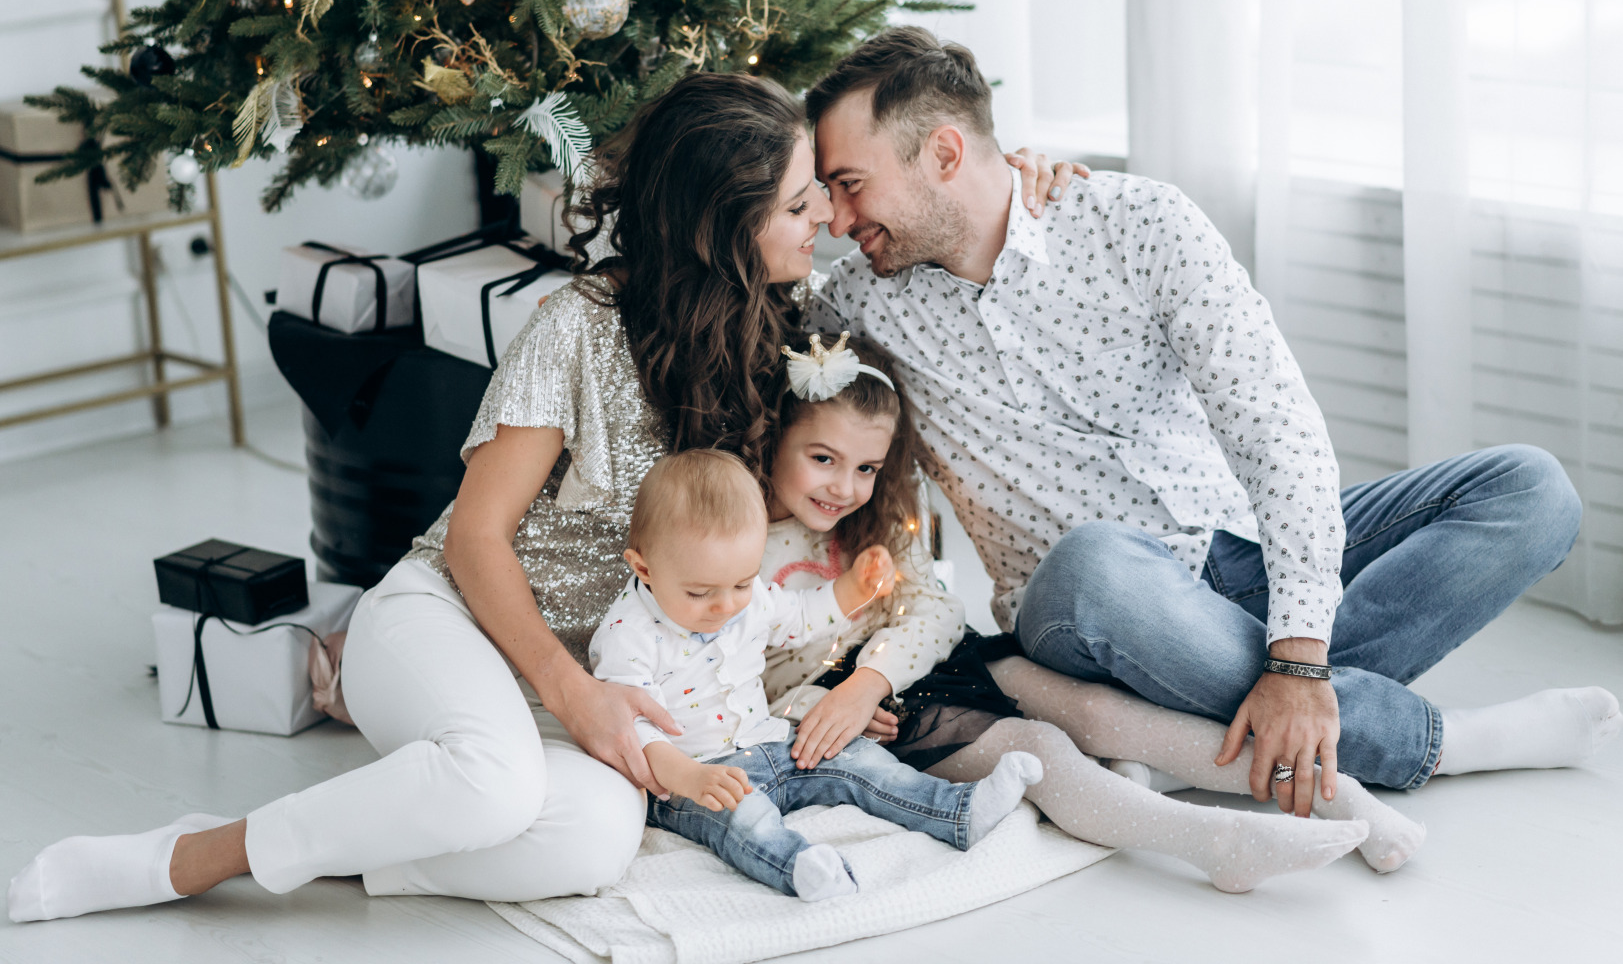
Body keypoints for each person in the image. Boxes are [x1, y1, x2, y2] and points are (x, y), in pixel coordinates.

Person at [8, 71, 1074, 923]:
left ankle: (353, 855)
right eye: (800, 206)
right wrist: (578, 697)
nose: (828, 225)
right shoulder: (577, 327)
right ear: (723, 222)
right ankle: (193, 857)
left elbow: (927, 253)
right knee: (494, 791)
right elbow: (475, 540)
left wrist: (1020, 178)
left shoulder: (781, 328)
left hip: (604, 669)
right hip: (456, 621)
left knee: (594, 844)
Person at [802, 26, 1621, 815]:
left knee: (1531, 490)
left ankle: (1255, 704)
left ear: (945, 153)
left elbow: (1276, 430)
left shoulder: (1139, 223)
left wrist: (1298, 660)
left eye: (849, 184)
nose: (837, 220)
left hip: (1235, 551)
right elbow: (744, 301)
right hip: (1082, 602)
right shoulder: (860, 308)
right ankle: (1440, 741)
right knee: (1094, 560)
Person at [756, 332, 1430, 891]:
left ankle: (1335, 793)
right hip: (875, 721)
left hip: (920, 667)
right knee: (1041, 747)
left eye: (867, 468)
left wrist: (868, 677)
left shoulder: (874, 524)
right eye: (822, 459)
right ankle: (1213, 842)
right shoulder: (742, 541)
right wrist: (827, 703)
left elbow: (931, 613)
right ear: (773, 443)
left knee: (1100, 713)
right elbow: (734, 672)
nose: (845, 487)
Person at [590, 448, 1042, 900]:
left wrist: (855, 589)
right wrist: (690, 778)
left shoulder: (745, 599)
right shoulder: (626, 635)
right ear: (644, 567)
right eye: (699, 593)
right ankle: (799, 868)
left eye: (743, 584)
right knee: (744, 820)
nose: (727, 606)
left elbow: (803, 615)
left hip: (769, 741)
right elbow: (636, 730)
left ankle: (958, 812)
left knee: (861, 760)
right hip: (693, 777)